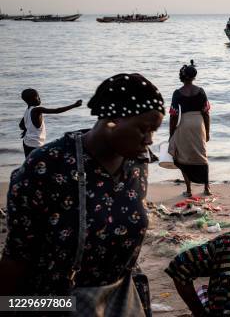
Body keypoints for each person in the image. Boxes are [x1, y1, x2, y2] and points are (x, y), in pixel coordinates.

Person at [1, 73, 164, 315]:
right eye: (143, 129)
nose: (149, 140)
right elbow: (17, 260)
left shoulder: (137, 164)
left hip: (123, 298)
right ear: (111, 120)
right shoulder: (47, 167)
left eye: (155, 130)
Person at [169, 61, 212, 197]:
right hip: (199, 124)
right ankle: (207, 188)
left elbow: (174, 116)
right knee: (202, 155)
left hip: (185, 123)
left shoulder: (177, 93)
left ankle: (188, 190)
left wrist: (171, 134)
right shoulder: (200, 91)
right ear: (194, 77)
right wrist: (208, 131)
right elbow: (206, 113)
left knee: (183, 156)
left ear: (182, 77)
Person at [19, 88, 82, 157]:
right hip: (35, 144)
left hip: (27, 142)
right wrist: (74, 105)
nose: (39, 98)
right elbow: (57, 111)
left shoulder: (27, 110)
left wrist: (29, 129)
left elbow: (21, 125)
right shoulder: (37, 110)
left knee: (30, 162)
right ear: (30, 100)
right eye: (37, 97)